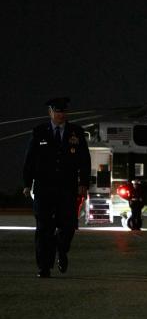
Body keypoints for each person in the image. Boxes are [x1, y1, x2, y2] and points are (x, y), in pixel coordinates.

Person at [23, 97, 91, 278]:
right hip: (44, 188)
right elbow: (30, 159)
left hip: (67, 188)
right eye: (57, 111)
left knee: (68, 226)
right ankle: (44, 267)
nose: (61, 115)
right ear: (50, 113)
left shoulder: (76, 132)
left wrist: (83, 183)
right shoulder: (39, 132)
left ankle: (61, 250)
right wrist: (26, 183)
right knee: (44, 228)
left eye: (63, 112)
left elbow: (84, 160)